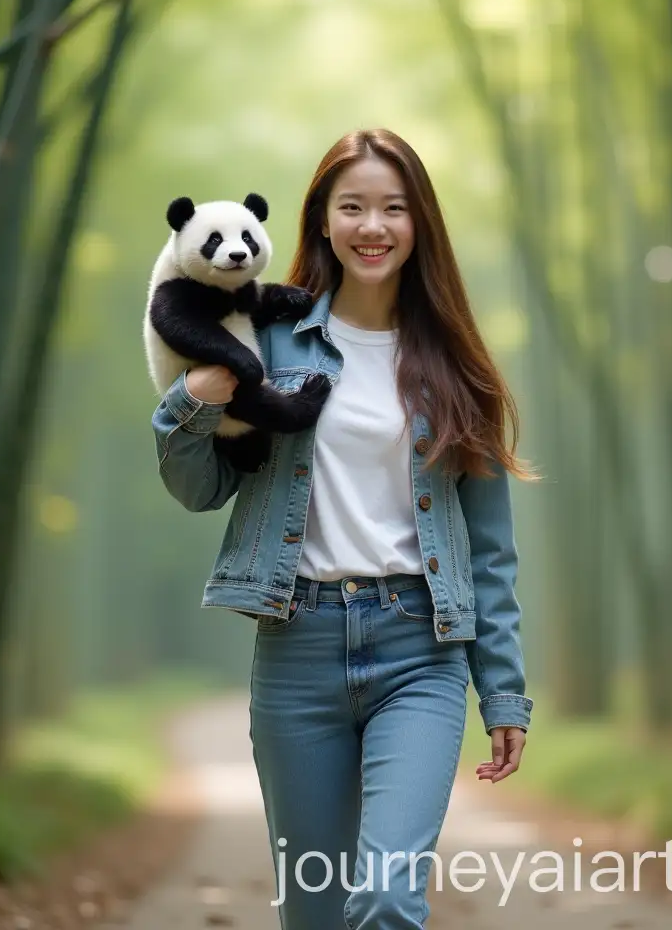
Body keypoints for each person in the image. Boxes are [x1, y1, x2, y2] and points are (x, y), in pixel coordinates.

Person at [151, 128, 536, 929]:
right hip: (297, 649)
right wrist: (195, 397)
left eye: (394, 208)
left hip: (420, 651)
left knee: (390, 898)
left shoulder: (458, 366)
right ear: (320, 221)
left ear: (419, 224)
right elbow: (199, 487)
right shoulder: (265, 337)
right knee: (318, 912)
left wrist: (502, 692)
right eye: (352, 206)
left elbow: (491, 552)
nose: (373, 226)